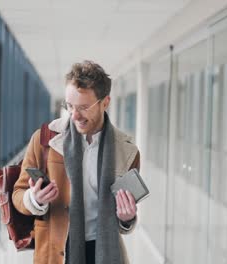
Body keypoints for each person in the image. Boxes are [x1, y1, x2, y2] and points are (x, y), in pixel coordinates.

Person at [12, 60, 140, 264]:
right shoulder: (45, 140)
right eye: (69, 106)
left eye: (83, 107)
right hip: (56, 252)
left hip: (104, 253)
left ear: (105, 102)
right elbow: (17, 195)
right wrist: (34, 198)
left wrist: (127, 219)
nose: (74, 115)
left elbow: (124, 216)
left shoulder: (127, 151)